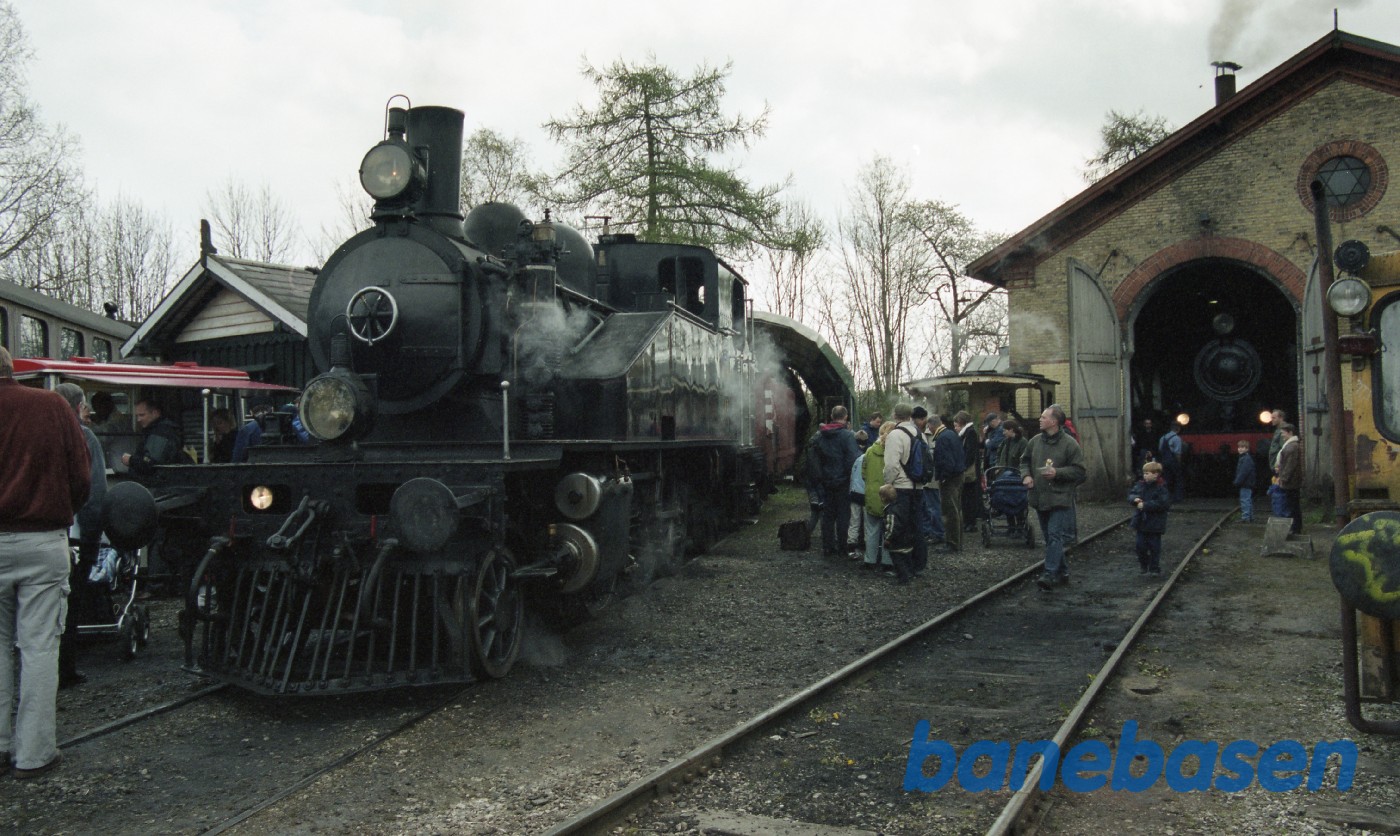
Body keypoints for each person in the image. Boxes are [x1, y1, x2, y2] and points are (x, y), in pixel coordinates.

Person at [0, 346, 92, 779]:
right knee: (38, 647)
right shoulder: (52, 406)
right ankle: (34, 754)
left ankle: (0, 746)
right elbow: (82, 475)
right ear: (11, 370)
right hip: (41, 539)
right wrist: (61, 511)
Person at [54, 383, 107, 689]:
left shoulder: (42, 433)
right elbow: (95, 490)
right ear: (77, 407)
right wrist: (92, 535)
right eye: (85, 407)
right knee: (71, 601)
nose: (88, 413)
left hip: (44, 529)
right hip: (76, 533)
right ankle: (66, 667)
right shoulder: (85, 437)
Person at [1020, 404, 1087, 591]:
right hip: (1039, 497)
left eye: (1043, 417)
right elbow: (1024, 461)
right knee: (1050, 537)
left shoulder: (1069, 444)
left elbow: (1080, 471)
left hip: (1060, 498)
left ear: (1054, 421)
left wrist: (1057, 472)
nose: (1040, 419)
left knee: (1055, 535)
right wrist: (1025, 475)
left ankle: (1049, 573)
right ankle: (1063, 571)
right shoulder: (1034, 442)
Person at [881, 402, 928, 584]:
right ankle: (918, 565)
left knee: (898, 528)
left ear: (894, 415)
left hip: (901, 487)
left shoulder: (895, 435)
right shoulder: (920, 434)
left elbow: (891, 465)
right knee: (917, 527)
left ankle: (903, 571)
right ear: (910, 416)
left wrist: (888, 484)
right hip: (918, 487)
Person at [811, 405, 861, 558]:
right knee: (843, 516)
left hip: (825, 481)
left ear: (832, 416)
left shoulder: (820, 435)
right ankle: (842, 547)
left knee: (827, 515)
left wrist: (818, 478)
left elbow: (814, 459)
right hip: (843, 481)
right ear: (845, 417)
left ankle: (827, 547)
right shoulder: (847, 436)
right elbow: (853, 459)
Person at [861, 422, 898, 574]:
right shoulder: (894, 451)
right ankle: (887, 562)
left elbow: (863, 473)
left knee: (871, 530)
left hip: (872, 495)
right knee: (889, 530)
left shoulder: (869, 451)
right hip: (889, 496)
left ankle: (869, 560)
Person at [1127, 461, 1171, 577]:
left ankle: (1154, 568)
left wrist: (1145, 505)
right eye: (1144, 473)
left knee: (1154, 547)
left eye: (1147, 473)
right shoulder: (1140, 485)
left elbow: (1163, 504)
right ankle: (1144, 564)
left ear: (1156, 474)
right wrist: (1135, 499)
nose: (1145, 475)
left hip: (1155, 523)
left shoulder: (1161, 488)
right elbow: (1131, 494)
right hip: (1141, 521)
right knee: (1139, 545)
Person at [121, 398, 183, 476]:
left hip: (158, 483)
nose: (138, 419)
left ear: (155, 413)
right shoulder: (153, 430)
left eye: (142, 415)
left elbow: (150, 463)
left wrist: (130, 460)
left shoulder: (161, 432)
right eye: (137, 416)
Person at [932, 413, 965, 552]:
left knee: (950, 511)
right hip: (958, 475)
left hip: (950, 478)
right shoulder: (951, 434)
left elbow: (947, 460)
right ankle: (957, 541)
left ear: (932, 425)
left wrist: (944, 476)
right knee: (957, 509)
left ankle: (952, 543)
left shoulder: (942, 438)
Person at [957, 411, 984, 532]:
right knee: (967, 497)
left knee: (970, 497)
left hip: (970, 470)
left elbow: (970, 452)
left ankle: (971, 522)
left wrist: (963, 465)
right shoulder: (969, 432)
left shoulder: (970, 433)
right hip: (969, 468)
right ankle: (968, 521)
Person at [1275, 422, 1303, 534]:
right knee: (1293, 505)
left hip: (1291, 482)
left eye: (1283, 433)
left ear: (1290, 433)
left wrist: (1283, 478)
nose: (1282, 435)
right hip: (1291, 481)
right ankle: (1295, 527)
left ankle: (1295, 528)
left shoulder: (1292, 447)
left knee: (1292, 506)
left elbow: (1289, 465)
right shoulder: (1292, 445)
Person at [231, 399, 276, 464]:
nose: (262, 413)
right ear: (272, 409)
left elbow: (237, 458)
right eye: (258, 410)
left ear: (251, 412)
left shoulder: (247, 430)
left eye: (264, 409)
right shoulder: (284, 428)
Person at [1157, 420, 1185, 502]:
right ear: (1178, 429)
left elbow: (1160, 449)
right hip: (1173, 462)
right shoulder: (1177, 438)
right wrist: (1179, 463)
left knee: (1166, 480)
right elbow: (1177, 453)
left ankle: (1165, 497)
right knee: (1178, 479)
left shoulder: (1163, 437)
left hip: (1164, 461)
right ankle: (1178, 498)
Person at [1233, 439, 1256, 523]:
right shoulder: (1245, 458)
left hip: (1245, 483)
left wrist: (1237, 481)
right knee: (1248, 500)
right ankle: (1250, 517)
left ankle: (1245, 517)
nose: (1240, 449)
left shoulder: (1246, 459)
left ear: (1247, 449)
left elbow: (1243, 472)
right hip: (1247, 483)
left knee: (1245, 500)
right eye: (1239, 447)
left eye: (1242, 447)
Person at [1267, 409, 1287, 473]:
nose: (1272, 420)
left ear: (1281, 418)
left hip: (1279, 465)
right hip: (1275, 464)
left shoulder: (1284, 430)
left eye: (1274, 418)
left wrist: (1279, 466)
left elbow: (1283, 449)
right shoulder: (1278, 430)